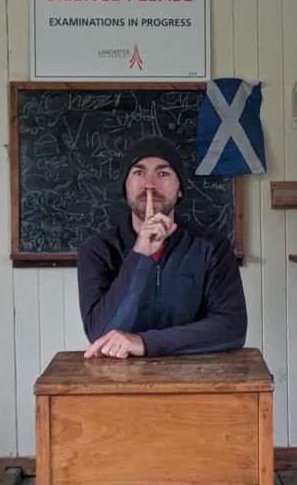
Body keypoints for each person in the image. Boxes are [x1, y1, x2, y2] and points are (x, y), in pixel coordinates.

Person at [77, 136, 247, 358]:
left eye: (163, 173)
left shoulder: (211, 246)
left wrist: (144, 343)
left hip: (199, 379)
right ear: (125, 187)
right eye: (138, 172)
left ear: (180, 189)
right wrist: (140, 254)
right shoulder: (97, 250)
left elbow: (231, 329)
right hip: (118, 382)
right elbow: (100, 332)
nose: (150, 184)